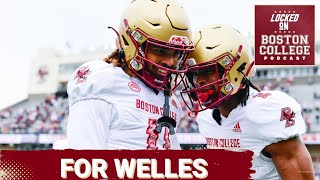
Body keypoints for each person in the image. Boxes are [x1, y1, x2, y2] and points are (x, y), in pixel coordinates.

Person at [181, 24, 314, 179]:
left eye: (209, 71)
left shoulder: (264, 112)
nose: (199, 81)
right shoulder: (206, 118)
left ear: (236, 70)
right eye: (195, 73)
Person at [63, 0, 194, 149]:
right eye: (159, 50)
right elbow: (84, 161)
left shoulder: (170, 100)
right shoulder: (104, 81)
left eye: (176, 53)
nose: (170, 62)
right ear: (132, 43)